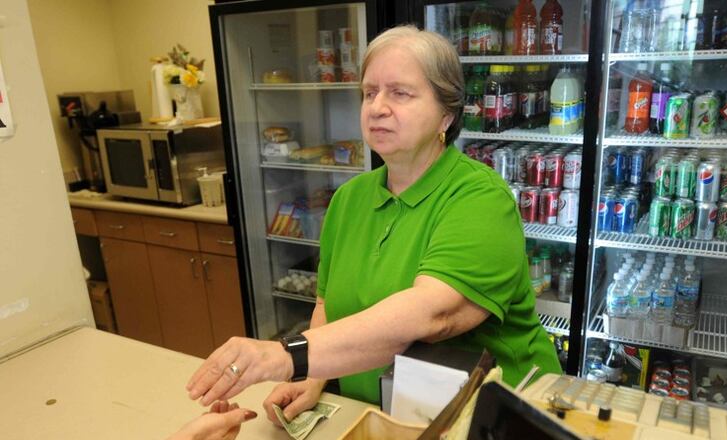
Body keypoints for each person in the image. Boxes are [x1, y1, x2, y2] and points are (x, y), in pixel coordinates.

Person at [186, 24, 561, 427]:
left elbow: (431, 314)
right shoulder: (350, 199)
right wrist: (313, 378)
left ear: (446, 114)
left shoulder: (480, 199)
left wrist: (286, 355)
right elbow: (327, 305)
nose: (377, 107)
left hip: (489, 419)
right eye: (369, 93)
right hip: (381, 414)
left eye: (400, 93)